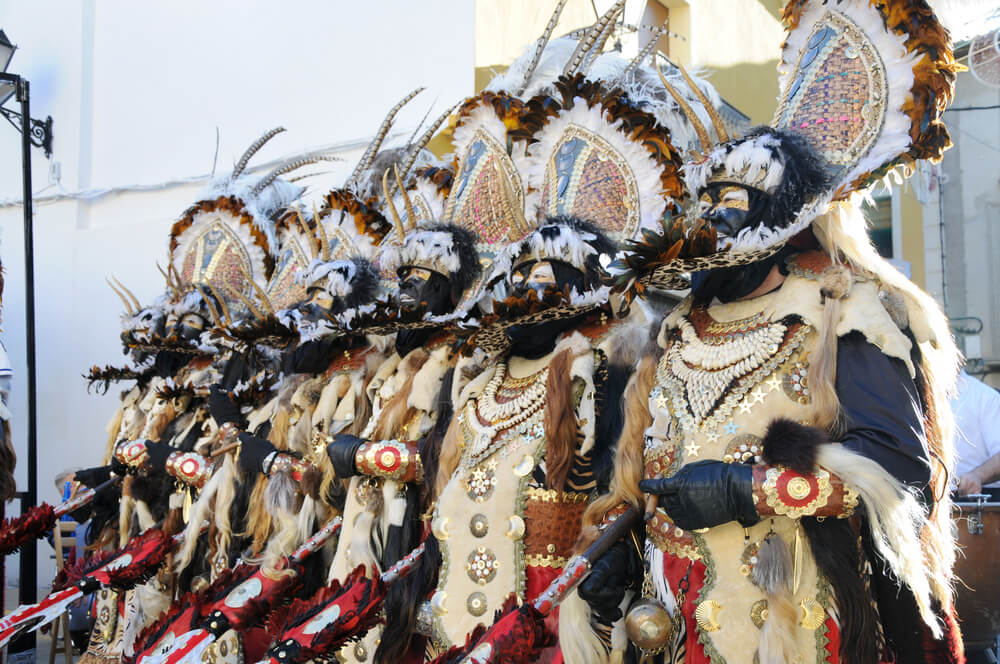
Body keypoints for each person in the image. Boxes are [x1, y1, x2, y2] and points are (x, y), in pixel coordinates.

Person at [952, 370, 1000, 497]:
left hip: (980, 499)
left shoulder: (986, 397)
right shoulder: (917, 397)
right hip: (931, 499)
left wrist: (977, 475)